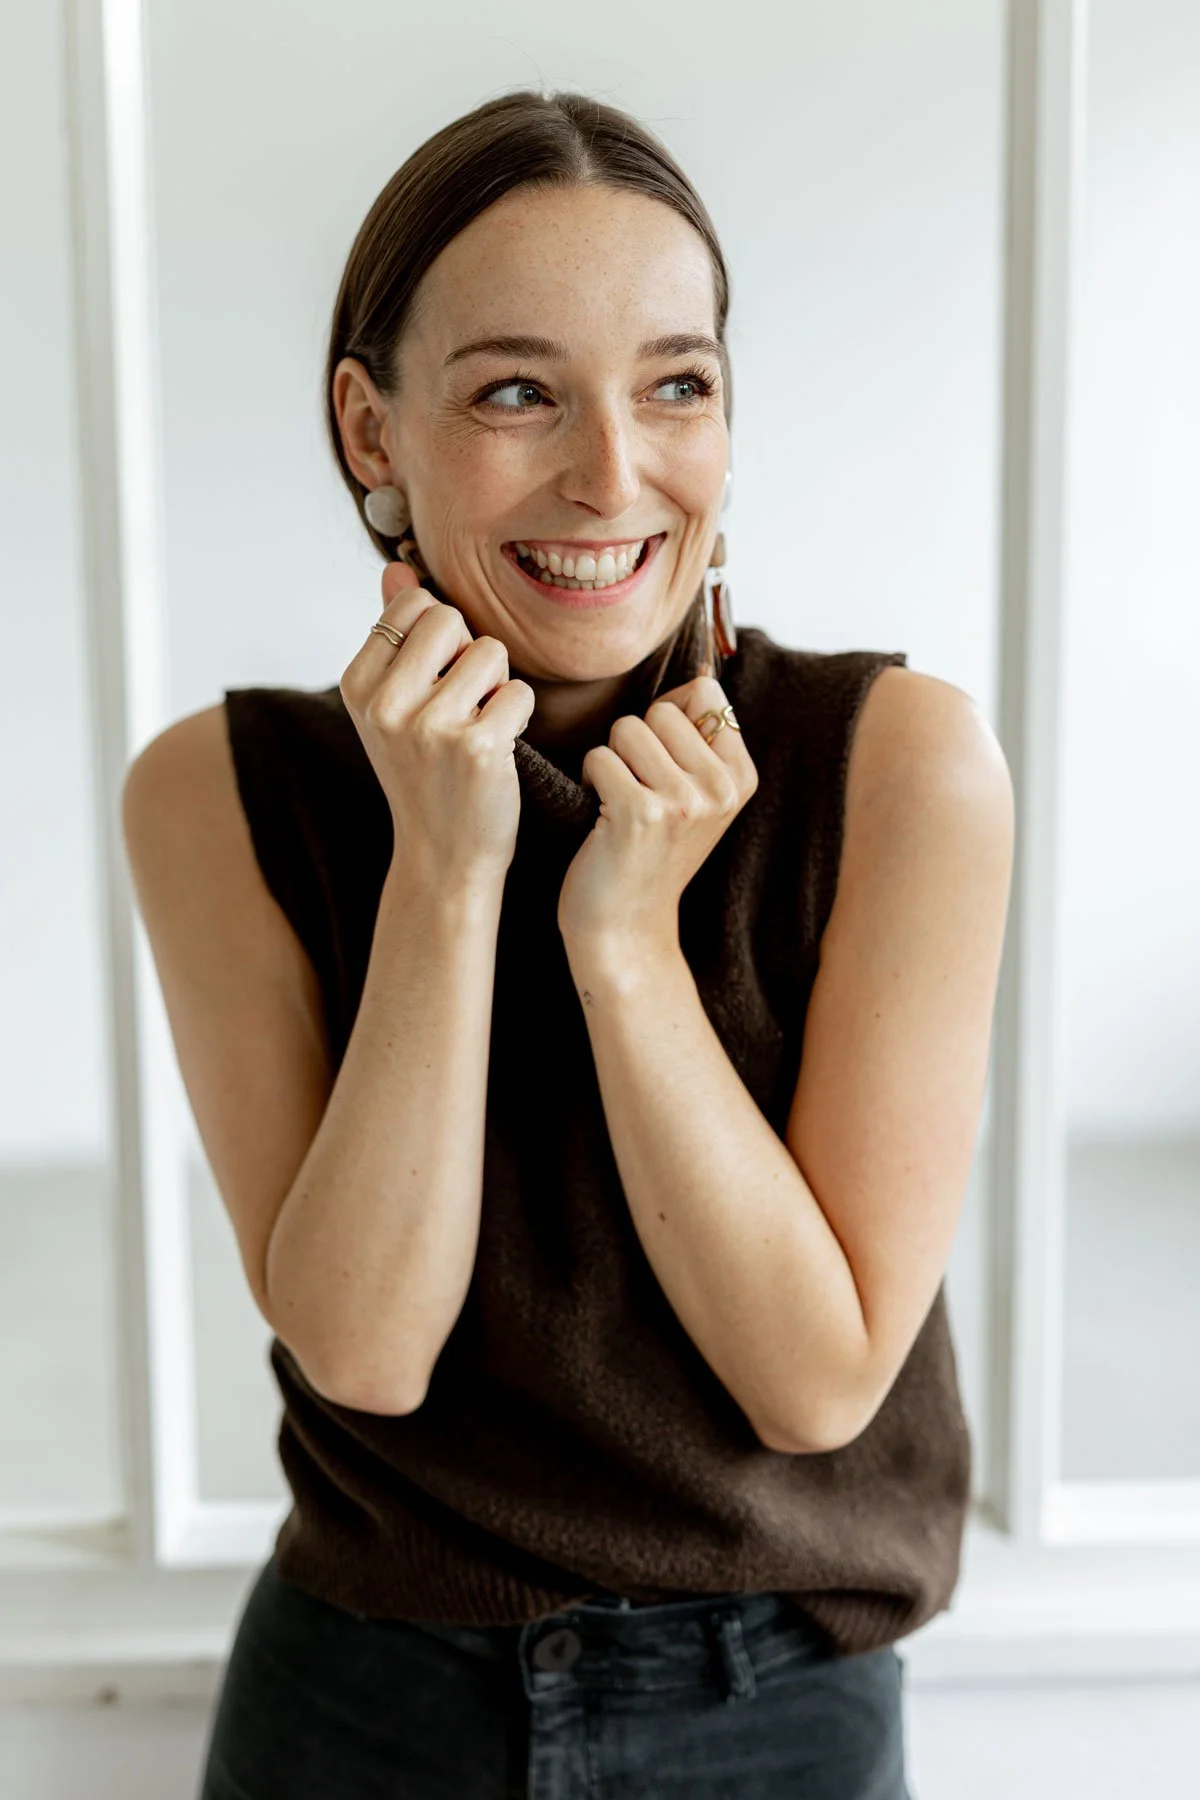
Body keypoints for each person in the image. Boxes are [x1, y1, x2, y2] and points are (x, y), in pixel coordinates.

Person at [122, 88, 1014, 1800]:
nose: (615, 473)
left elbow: (817, 1378)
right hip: (363, 1699)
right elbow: (367, 1349)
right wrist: (449, 875)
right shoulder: (219, 795)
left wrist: (624, 942)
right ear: (371, 433)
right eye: (518, 391)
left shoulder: (899, 768)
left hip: (775, 1705)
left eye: (677, 385)